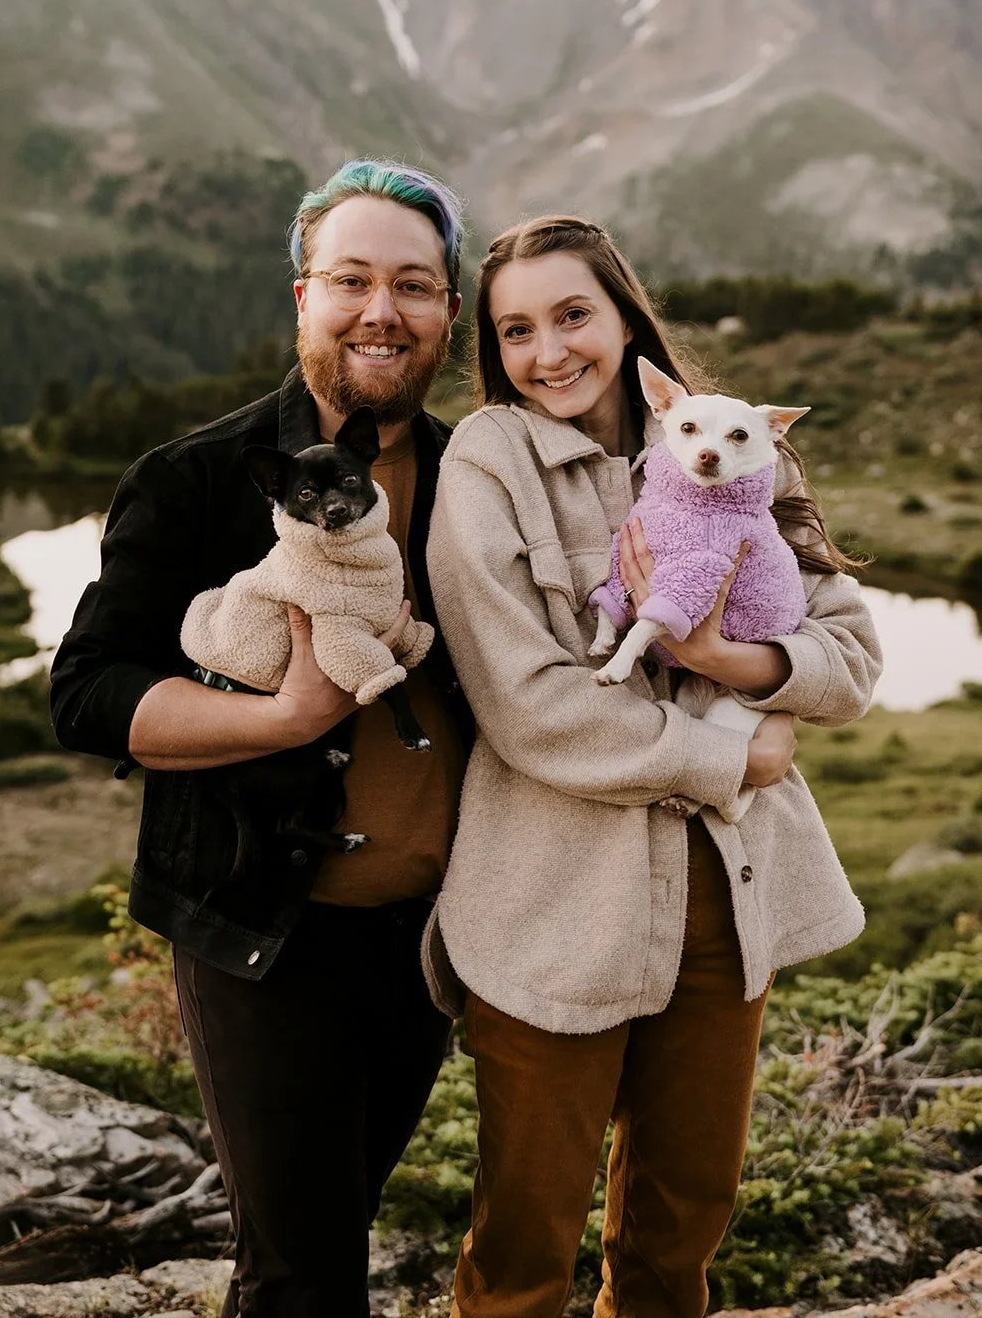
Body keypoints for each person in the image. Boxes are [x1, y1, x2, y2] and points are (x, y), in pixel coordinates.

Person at [422, 215, 882, 1318]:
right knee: (522, 1249)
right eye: (515, 329)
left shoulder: (732, 442)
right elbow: (530, 706)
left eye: (572, 315)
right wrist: (731, 749)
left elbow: (852, 655)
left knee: (678, 1235)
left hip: (727, 900)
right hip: (551, 905)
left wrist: (728, 658)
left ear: (625, 318)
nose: (548, 352)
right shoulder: (489, 460)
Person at [49, 160, 472, 1318]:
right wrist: (281, 717)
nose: (381, 309)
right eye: (351, 279)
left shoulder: (478, 479)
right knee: (301, 1277)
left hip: (431, 944)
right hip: (259, 933)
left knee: (335, 1226)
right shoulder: (191, 478)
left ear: (447, 311)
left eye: (414, 285)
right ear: (302, 300)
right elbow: (86, 691)